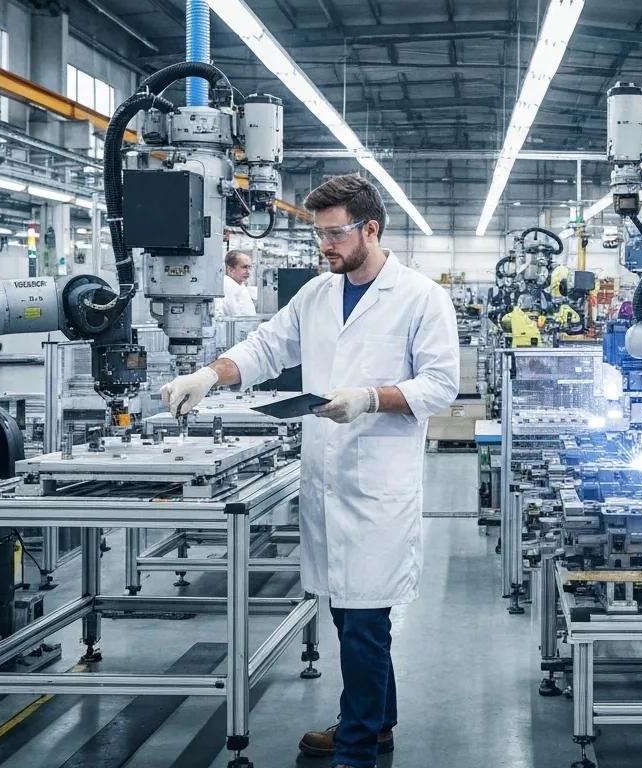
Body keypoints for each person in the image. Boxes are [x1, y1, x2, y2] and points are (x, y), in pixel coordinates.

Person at [158, 175, 460, 768]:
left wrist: (371, 398)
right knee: (349, 615)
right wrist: (207, 375)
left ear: (371, 229)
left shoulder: (421, 296)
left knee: (367, 618)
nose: (325, 245)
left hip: (379, 484)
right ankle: (372, 723)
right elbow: (265, 348)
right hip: (327, 478)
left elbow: (441, 385)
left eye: (334, 233)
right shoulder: (319, 295)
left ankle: (356, 748)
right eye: (319, 234)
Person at [215, 249, 258, 317]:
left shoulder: (242, 288)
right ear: (230, 269)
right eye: (244, 267)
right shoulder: (222, 291)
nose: (248, 272)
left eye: (249, 267)